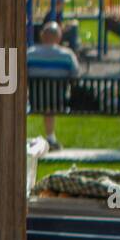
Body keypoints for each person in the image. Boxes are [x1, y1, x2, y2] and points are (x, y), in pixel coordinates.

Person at [26, 20, 80, 150]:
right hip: (59, 101)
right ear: (59, 37)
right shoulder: (67, 55)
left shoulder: (29, 54)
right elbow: (75, 76)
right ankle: (50, 138)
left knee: (44, 97)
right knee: (50, 102)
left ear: (42, 36)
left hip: (35, 100)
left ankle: (49, 138)